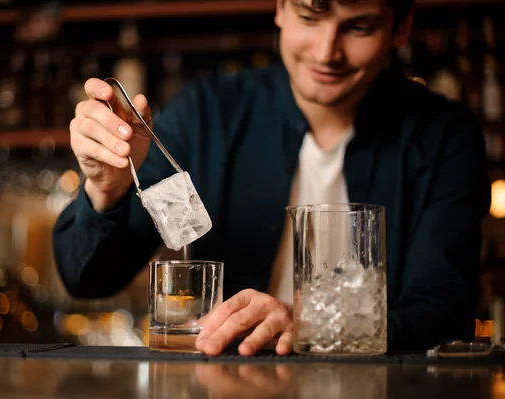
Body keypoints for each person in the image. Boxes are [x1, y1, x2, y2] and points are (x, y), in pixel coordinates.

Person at [53, 0, 491, 356]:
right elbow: (86, 278)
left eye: (358, 27)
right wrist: (105, 190)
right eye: (309, 16)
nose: (326, 52)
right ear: (280, 8)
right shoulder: (208, 115)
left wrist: (312, 325)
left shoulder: (445, 136)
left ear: (401, 26)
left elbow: (445, 313)